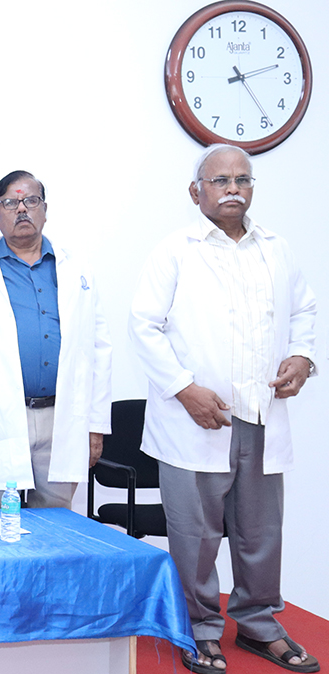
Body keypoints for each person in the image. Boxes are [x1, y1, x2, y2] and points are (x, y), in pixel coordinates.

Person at [129, 144, 318, 674]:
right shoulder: (175, 250)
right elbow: (144, 326)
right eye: (220, 180)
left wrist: (303, 356)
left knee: (261, 533)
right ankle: (200, 629)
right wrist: (184, 389)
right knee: (196, 536)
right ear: (196, 192)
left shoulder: (276, 249)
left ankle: (259, 625)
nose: (233, 188)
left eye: (242, 179)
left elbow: (304, 310)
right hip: (196, 420)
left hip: (261, 417)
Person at [0, 170, 111, 510]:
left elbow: (99, 349)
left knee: (55, 525)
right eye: (9, 203)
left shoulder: (76, 268)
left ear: (45, 210)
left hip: (62, 417)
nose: (21, 209)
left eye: (31, 201)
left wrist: (96, 424)